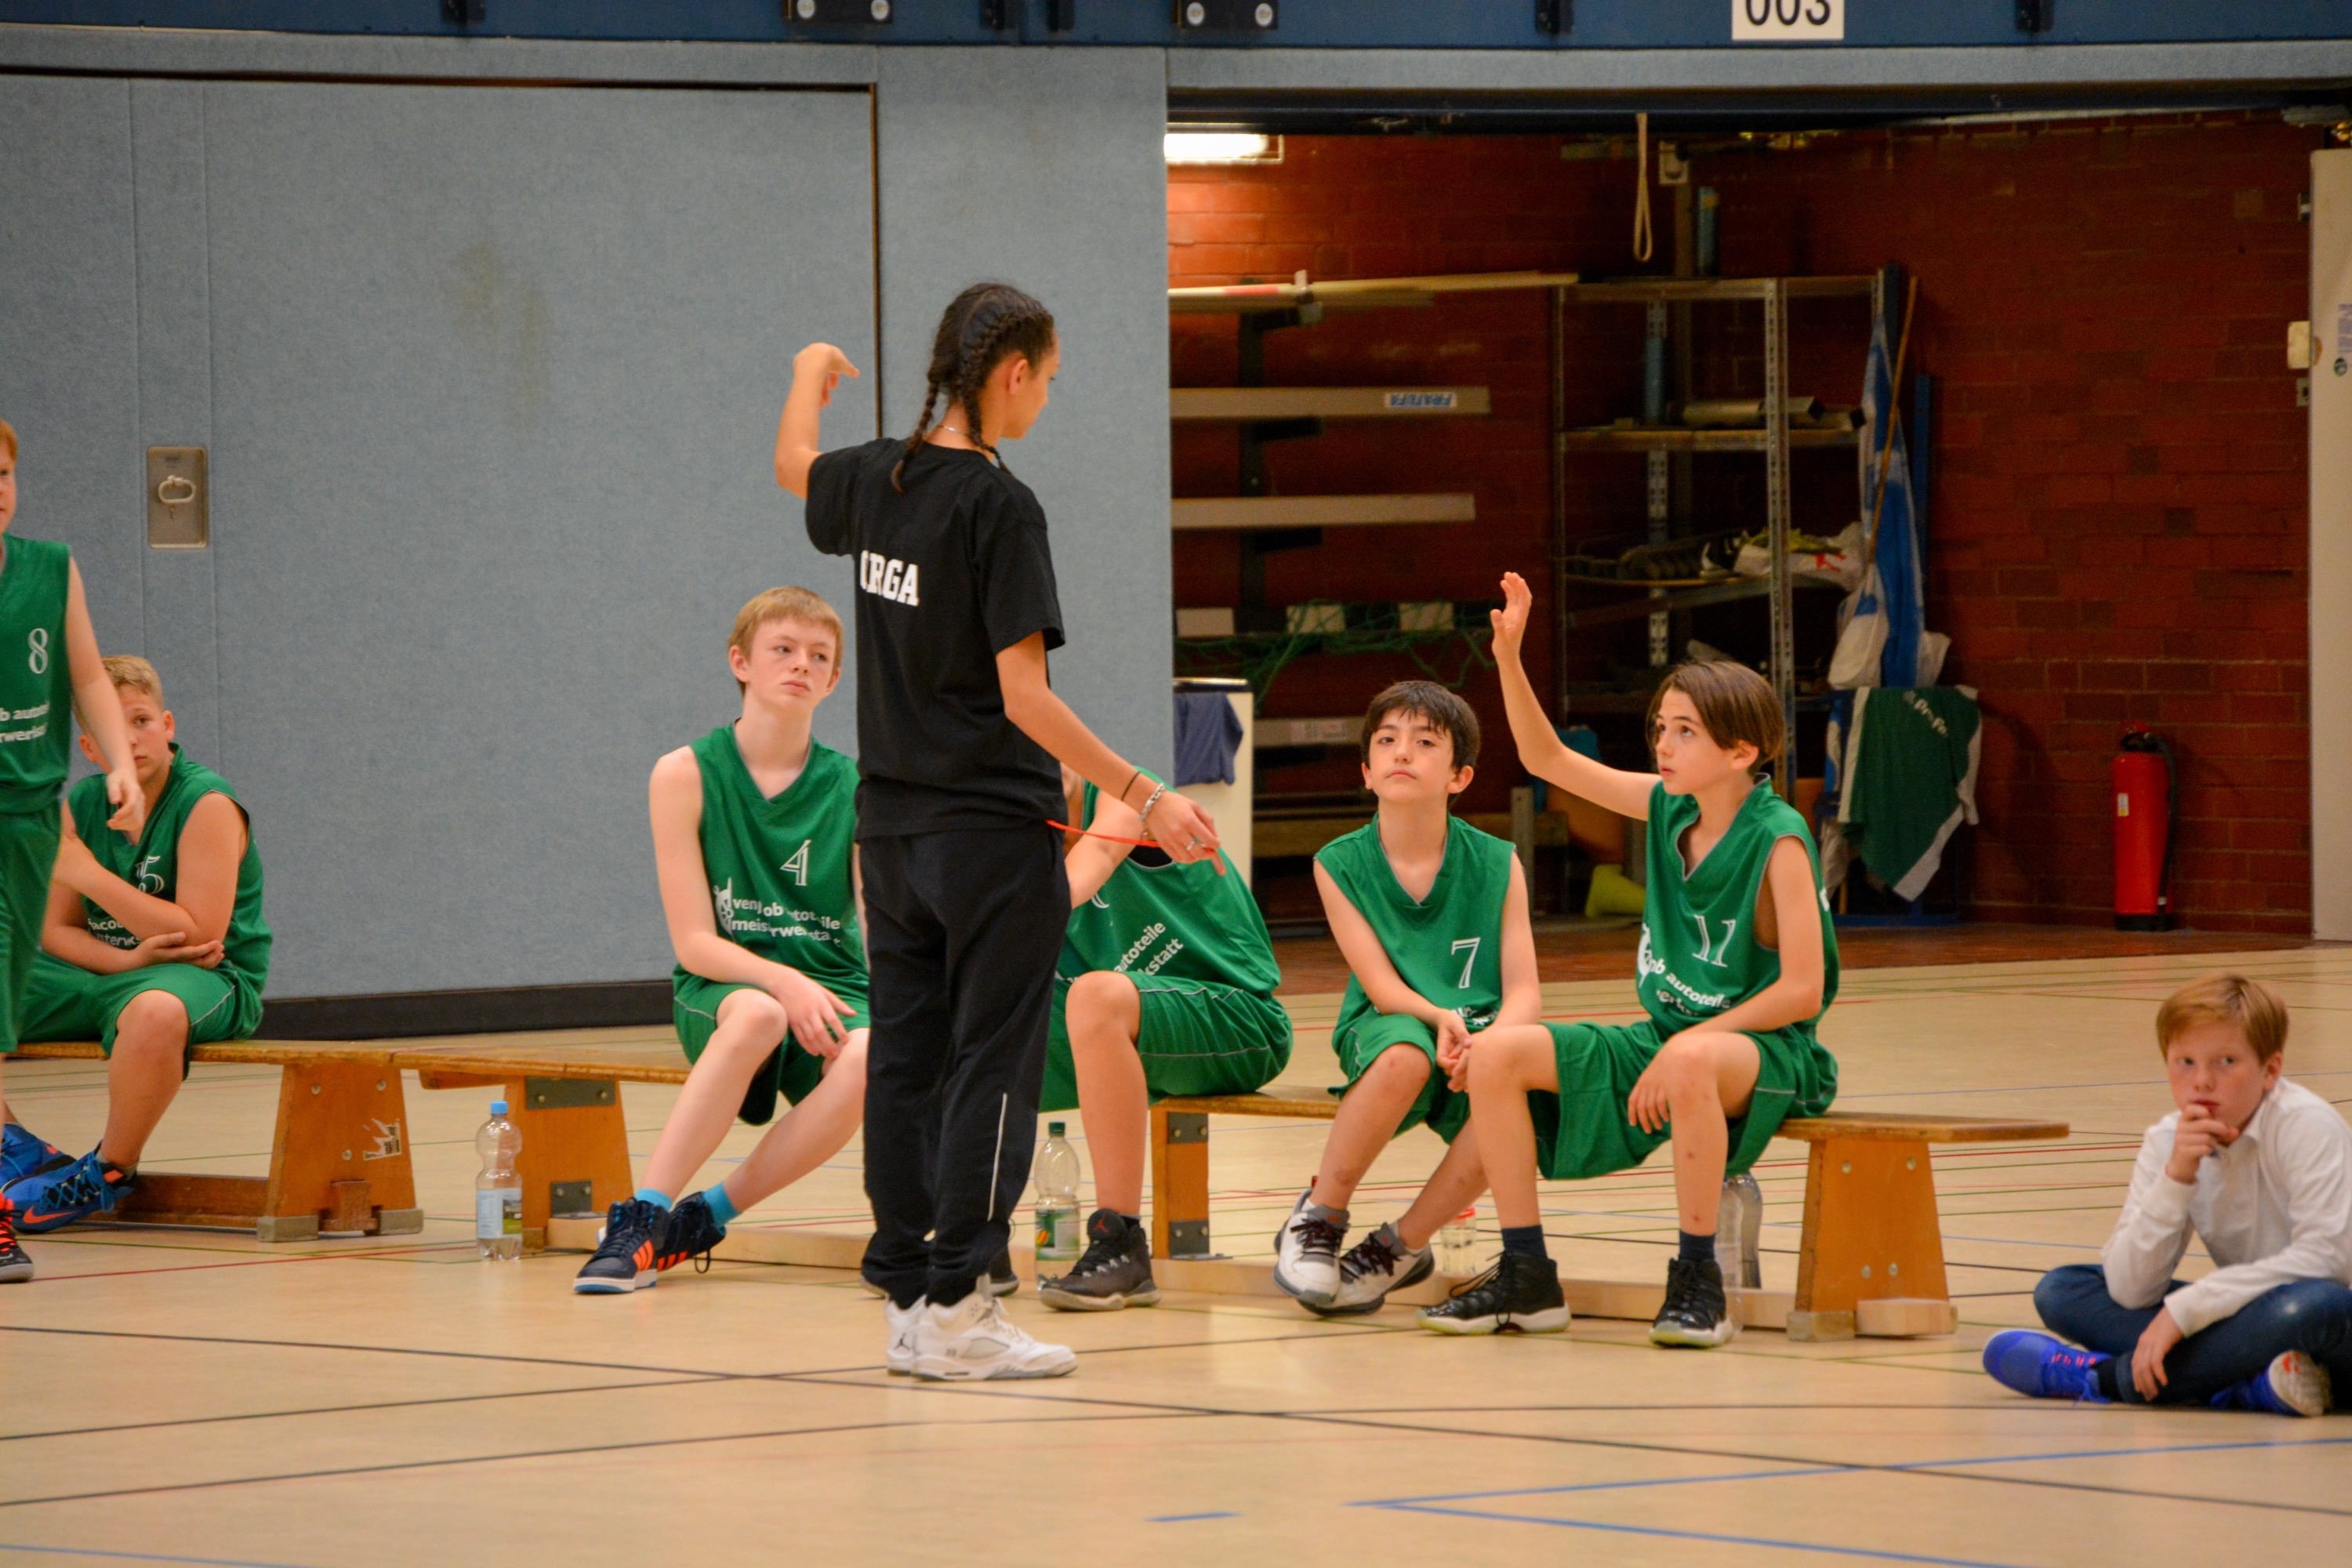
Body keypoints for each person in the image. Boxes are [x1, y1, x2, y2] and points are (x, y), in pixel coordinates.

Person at [777, 281, 1221, 1381]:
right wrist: (1146, 792)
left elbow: (795, 467)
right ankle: (962, 1305)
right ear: (1011, 373)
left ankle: (908, 1303)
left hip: (891, 837)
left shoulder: (876, 479)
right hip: (989, 837)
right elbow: (1025, 698)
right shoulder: (998, 505)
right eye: (1049, 379)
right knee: (994, 1067)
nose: (1048, 400)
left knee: (907, 1061)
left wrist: (806, 375)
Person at [1417, 571, 1838, 1345]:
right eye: (1661, 727)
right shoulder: (1668, 806)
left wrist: (1689, 1044)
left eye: (1685, 731)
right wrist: (1508, 656)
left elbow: (1803, 991)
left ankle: (1698, 1280)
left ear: (1741, 750)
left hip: (1767, 1049)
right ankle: (1527, 1274)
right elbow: (1546, 758)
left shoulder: (1779, 838)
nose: (1663, 745)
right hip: (1668, 1038)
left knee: (1690, 1061)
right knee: (1498, 1053)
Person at [575, 588, 875, 1294]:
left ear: (834, 680)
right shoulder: (683, 772)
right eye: (783, 650)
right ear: (740, 662)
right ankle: (641, 1217)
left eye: (819, 657)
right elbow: (693, 943)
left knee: (874, 1053)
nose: (801, 665)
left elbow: (876, 921)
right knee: (760, 1013)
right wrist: (785, 982)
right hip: (725, 988)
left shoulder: (859, 786)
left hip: (833, 988)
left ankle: (704, 1217)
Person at [1271, 680, 1542, 1318]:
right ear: (1366, 771)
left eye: (1424, 743)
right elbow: (1382, 986)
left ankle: (1399, 1247)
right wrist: (1438, 1016)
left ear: (1460, 776)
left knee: (1516, 1091)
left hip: (1479, 1031)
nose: (1401, 752)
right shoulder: (1338, 862)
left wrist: (1492, 1045)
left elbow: (1525, 989)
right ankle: (1319, 1217)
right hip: (1389, 1022)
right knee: (1404, 1058)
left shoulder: (1499, 861)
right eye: (1387, 740)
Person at [1983, 974, 2350, 1416]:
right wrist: (2177, 1177)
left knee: (2312, 1305)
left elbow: (2329, 1261)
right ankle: (2247, 1383)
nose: (2202, 1081)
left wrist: (2185, 1312)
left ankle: (2105, 1379)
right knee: (2063, 1290)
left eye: (2226, 1062)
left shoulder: (2307, 1126)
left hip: (2331, 1325)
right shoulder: (2166, 1140)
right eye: (2185, 1062)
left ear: (2270, 1071)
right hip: (2256, 1319)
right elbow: (2131, 1291)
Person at [2, 657, 269, 1234]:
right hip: (114, 969)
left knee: (154, 1012)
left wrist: (90, 875)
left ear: (167, 725)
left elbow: (199, 935)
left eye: (142, 721)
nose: (129, 739)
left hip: (207, 977)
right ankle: (14, 1147)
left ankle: (109, 1170)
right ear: (89, 749)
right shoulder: (83, 804)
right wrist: (126, 958)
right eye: (110, 729)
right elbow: (55, 930)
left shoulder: (206, 803)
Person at [1036, 764, 1289, 1312]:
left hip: (1237, 1019)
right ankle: (969, 1231)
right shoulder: (1022, 835)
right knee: (963, 1022)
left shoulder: (1126, 797)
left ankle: (1120, 1241)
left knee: (1095, 996)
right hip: (1125, 1030)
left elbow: (1097, 857)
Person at [0, 418, 147, 1283]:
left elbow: (87, 674)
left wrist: (119, 765)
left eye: (3, 473)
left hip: (27, 818)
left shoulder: (49, 568)